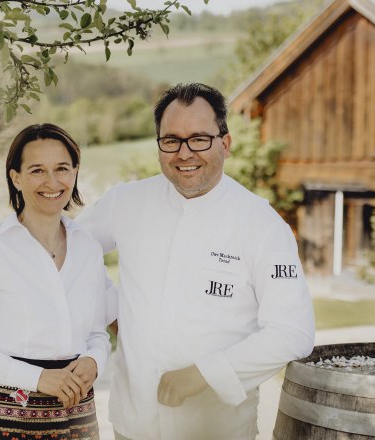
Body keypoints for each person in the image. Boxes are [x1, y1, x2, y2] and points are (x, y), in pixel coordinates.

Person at [78, 83, 315, 440]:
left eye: (199, 139)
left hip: (218, 430)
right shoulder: (126, 202)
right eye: (171, 140)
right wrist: (112, 308)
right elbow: (66, 253)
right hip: (134, 425)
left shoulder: (263, 225)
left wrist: (204, 373)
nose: (184, 153)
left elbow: (292, 332)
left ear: (226, 143)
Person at [0, 123, 110, 440]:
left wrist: (93, 360)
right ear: (15, 177)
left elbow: (97, 331)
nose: (52, 181)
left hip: (78, 419)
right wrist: (38, 378)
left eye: (62, 168)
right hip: (7, 421)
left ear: (75, 172)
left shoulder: (88, 246)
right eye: (36, 171)